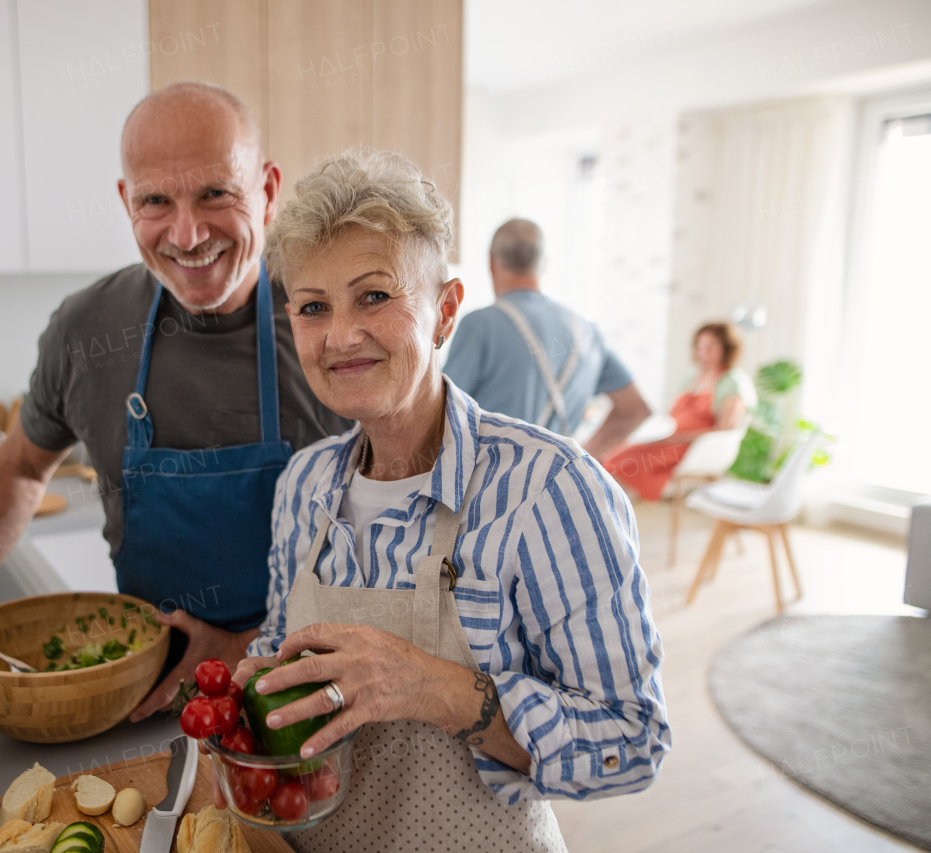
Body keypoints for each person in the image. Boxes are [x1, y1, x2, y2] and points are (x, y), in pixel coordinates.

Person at [223, 150, 669, 852]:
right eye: (313, 307)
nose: (341, 336)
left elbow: (632, 740)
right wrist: (259, 684)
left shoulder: (551, 490)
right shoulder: (303, 485)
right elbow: (285, 646)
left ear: (446, 311)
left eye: (375, 296)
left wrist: (433, 686)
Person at [0, 82, 350, 719]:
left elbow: (405, 543)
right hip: (143, 703)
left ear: (268, 190)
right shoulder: (87, 329)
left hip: (309, 700)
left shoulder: (331, 323)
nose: (187, 232)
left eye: (215, 194)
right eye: (155, 200)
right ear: (126, 202)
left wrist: (244, 648)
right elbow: (21, 466)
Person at [443, 218, 651, 460]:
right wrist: (581, 458)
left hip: (492, 488)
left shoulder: (479, 325)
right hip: (558, 489)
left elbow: (441, 416)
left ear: (491, 262)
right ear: (543, 264)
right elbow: (637, 408)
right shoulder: (586, 331)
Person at [602, 322, 755, 501]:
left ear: (727, 348)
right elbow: (671, 417)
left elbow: (725, 429)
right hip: (665, 440)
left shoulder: (733, 382)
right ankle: (611, 504)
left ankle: (616, 506)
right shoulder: (693, 379)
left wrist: (675, 438)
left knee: (628, 462)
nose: (704, 353)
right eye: (700, 347)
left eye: (711, 347)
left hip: (692, 447)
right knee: (614, 454)